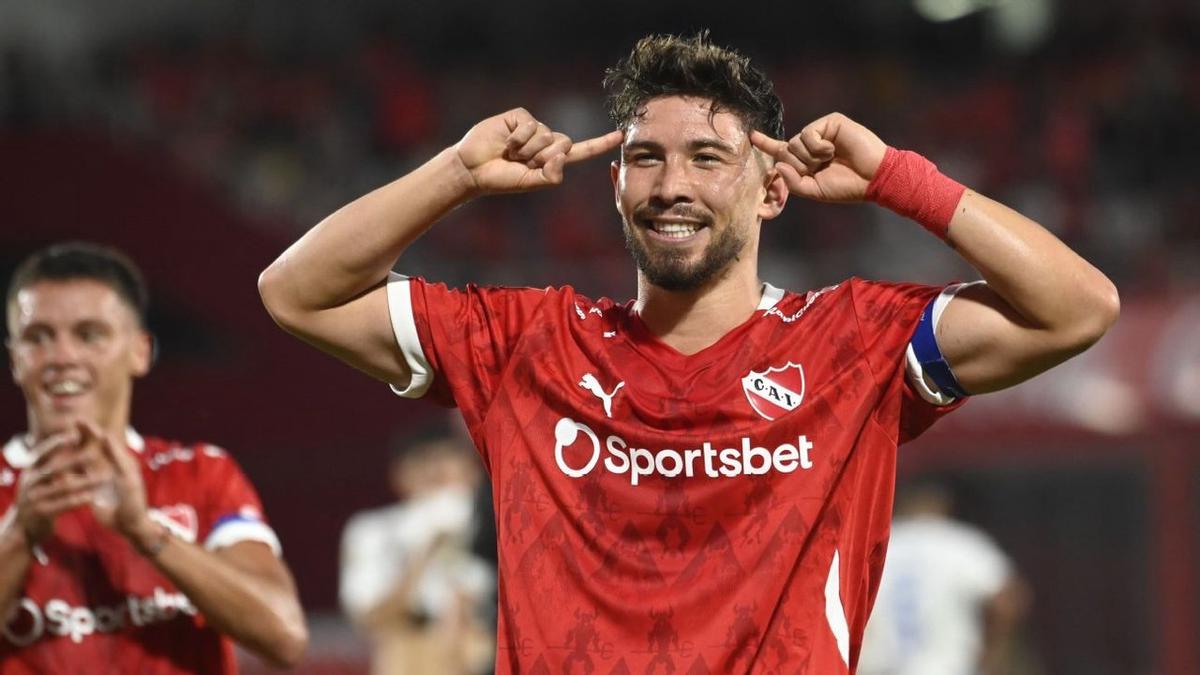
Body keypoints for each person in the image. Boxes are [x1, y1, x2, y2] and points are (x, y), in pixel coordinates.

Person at [258, 32, 1118, 673]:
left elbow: (1078, 309)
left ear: (771, 188)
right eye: (646, 159)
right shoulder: (526, 343)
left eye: (708, 158)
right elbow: (296, 291)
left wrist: (900, 178)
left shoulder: (853, 343)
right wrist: (456, 172)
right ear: (616, 185)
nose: (672, 186)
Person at [0, 243, 307, 673]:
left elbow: (285, 636)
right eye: (38, 337)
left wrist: (146, 532)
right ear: (15, 359)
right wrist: (19, 535)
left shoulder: (201, 474)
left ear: (140, 351)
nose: (62, 357)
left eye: (89, 335)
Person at [339, 427, 495, 675]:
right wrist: (425, 554)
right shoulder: (374, 531)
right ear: (400, 474)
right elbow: (369, 617)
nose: (438, 474)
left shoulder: (497, 526)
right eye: (426, 464)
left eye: (448, 463)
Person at [858, 480, 1031, 675]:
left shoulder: (875, 546)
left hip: (881, 669)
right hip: (948, 668)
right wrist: (992, 655)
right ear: (943, 506)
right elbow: (1007, 600)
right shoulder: (958, 542)